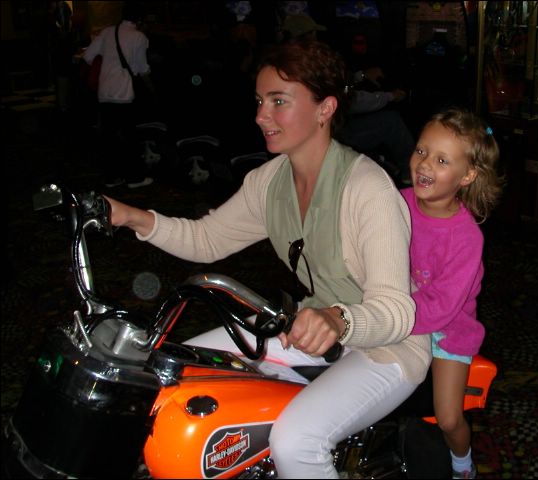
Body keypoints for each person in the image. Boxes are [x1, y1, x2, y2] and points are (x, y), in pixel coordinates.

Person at [106, 39, 430, 478]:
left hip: (389, 347)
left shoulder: (367, 189)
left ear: (325, 108)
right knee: (176, 371)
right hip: (313, 324)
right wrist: (130, 216)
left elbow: (397, 312)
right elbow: (207, 239)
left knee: (296, 440)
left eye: (279, 101)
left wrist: (338, 319)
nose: (261, 116)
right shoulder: (270, 181)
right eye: (260, 101)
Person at [400, 107, 503, 480]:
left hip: (448, 331)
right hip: (399, 311)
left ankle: (463, 464)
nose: (425, 163)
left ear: (467, 176)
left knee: (447, 417)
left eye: (442, 160)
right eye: (421, 150)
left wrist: (389, 317)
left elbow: (442, 307)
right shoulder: (397, 202)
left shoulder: (465, 237)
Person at [82, 1, 153, 189]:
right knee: (130, 137)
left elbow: (88, 56)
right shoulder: (139, 37)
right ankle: (134, 177)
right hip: (124, 93)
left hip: (105, 92)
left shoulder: (107, 32)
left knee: (109, 137)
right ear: (140, 19)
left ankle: (111, 177)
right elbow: (141, 68)